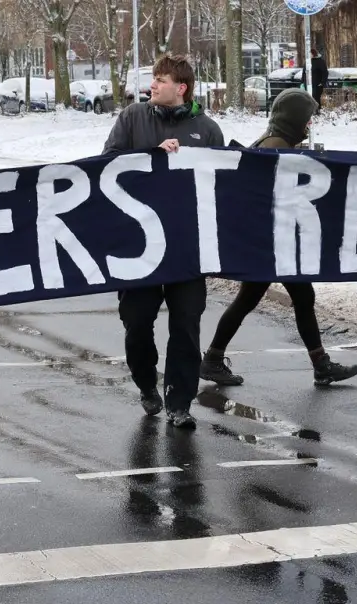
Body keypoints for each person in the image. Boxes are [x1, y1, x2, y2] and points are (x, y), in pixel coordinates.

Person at [201, 88, 357, 388]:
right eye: (307, 119)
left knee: (278, 298)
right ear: (294, 119)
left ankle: (214, 358)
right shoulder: (275, 147)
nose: (310, 125)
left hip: (272, 241)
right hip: (272, 243)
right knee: (280, 298)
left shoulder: (276, 143)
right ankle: (319, 365)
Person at [102, 53, 226, 430]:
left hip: (187, 248)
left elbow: (224, 183)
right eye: (153, 79)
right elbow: (107, 164)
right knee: (137, 324)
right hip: (138, 248)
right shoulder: (132, 118)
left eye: (160, 79)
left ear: (181, 88)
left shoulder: (206, 129)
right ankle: (145, 382)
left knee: (186, 328)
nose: (152, 85)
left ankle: (180, 402)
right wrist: (151, 157)